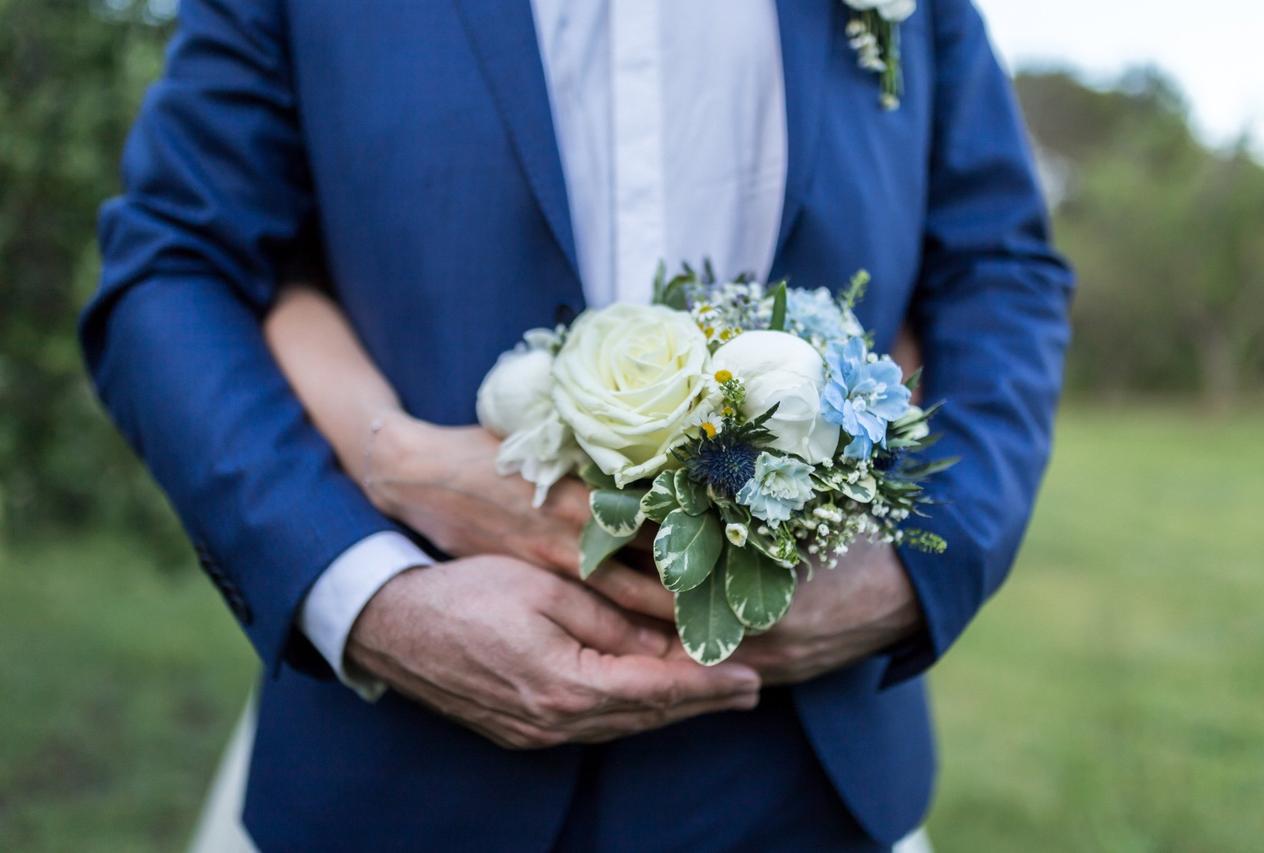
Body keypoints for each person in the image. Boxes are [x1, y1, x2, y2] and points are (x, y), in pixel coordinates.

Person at [82, 1, 1072, 850]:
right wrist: (369, 595)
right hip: (398, 772)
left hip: (811, 768)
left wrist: (914, 570)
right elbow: (174, 266)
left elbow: (1000, 275)